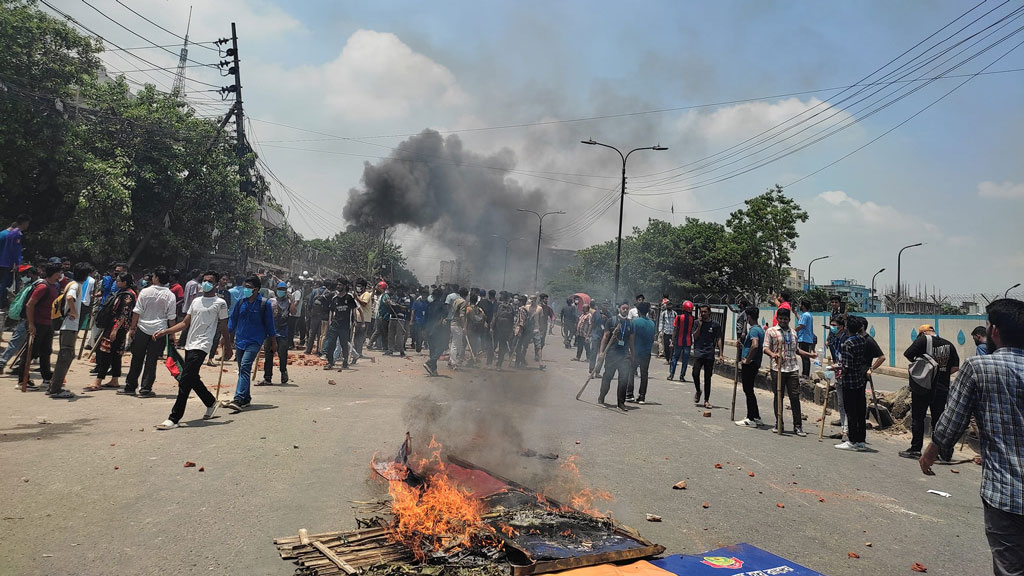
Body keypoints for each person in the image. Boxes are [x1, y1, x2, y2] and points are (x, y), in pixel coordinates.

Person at [919, 299, 1024, 576]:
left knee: (1010, 569)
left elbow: (953, 421)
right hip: (1006, 493)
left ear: (995, 330)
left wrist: (932, 451)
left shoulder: (979, 367)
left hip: (1006, 492)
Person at [152, 271, 232, 429]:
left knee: (185, 379)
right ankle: (210, 402)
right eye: (204, 280)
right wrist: (166, 331)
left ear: (216, 284)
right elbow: (185, 323)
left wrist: (227, 346)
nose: (206, 283)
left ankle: (174, 418)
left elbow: (223, 326)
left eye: (210, 281)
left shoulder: (220, 303)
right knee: (191, 377)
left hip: (203, 344)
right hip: (190, 343)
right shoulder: (196, 301)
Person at [898, 324, 960, 460]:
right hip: (942, 387)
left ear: (922, 334)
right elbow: (955, 367)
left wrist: (923, 368)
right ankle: (940, 451)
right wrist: (940, 374)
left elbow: (908, 354)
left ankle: (915, 449)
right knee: (938, 419)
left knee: (918, 417)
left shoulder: (922, 340)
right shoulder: (949, 344)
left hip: (923, 386)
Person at [122, 267, 177, 397]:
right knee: (151, 361)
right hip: (159, 331)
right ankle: (145, 388)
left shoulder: (145, 292)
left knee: (136, 358)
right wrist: (172, 334)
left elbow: (137, 311)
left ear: (156, 278)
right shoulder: (170, 295)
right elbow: (171, 317)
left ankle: (130, 387)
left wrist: (132, 328)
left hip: (142, 328)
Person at [225, 275, 277, 412]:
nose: (245, 290)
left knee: (245, 366)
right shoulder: (241, 302)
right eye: (245, 287)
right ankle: (246, 398)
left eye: (248, 287)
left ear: (256, 289)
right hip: (240, 340)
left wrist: (273, 341)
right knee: (242, 369)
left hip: (255, 340)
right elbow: (233, 320)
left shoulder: (264, 304)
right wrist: (225, 335)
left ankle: (239, 398)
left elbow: (270, 324)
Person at [764, 307, 816, 436]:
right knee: (778, 396)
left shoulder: (793, 332)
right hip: (778, 369)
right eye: (780, 319)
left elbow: (796, 350)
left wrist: (810, 355)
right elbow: (765, 348)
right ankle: (779, 423)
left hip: (792, 368)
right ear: (778, 319)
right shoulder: (771, 331)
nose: (783, 321)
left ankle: (798, 426)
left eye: (785, 319)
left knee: (795, 397)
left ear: (789, 319)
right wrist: (773, 354)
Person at [47, 262, 94, 399]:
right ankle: (55, 388)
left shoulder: (72, 284)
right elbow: (69, 298)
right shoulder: (75, 286)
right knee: (65, 356)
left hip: (68, 326)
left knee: (67, 355)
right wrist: (74, 312)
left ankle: (54, 385)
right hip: (69, 326)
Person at [85, 272, 136, 391]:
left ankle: (98, 380)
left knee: (105, 353)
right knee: (115, 354)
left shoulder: (128, 295)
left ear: (125, 282)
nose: (116, 282)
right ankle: (115, 379)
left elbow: (123, 314)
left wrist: (115, 330)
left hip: (117, 328)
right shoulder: (123, 293)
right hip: (116, 327)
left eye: (118, 280)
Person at [18, 262, 62, 389]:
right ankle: (23, 380)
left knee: (46, 351)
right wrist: (31, 324)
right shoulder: (43, 287)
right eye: (59, 272)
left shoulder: (55, 286)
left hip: (48, 324)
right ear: (54, 273)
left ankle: (47, 377)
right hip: (37, 323)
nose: (60, 274)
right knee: (30, 352)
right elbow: (30, 305)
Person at [835, 316, 870, 451]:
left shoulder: (847, 344)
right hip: (860, 380)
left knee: (850, 412)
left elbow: (846, 366)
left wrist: (836, 369)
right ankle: (861, 440)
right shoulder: (862, 340)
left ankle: (852, 440)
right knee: (860, 411)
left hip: (849, 382)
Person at [596, 302, 635, 411]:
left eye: (627, 309)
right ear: (619, 309)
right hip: (612, 354)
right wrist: (601, 352)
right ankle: (602, 396)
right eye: (623, 308)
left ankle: (621, 403)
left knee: (624, 379)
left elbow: (631, 340)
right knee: (608, 376)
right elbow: (605, 336)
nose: (625, 310)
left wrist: (633, 354)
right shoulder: (611, 321)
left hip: (624, 355)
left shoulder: (630, 324)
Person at [0, 265, 39, 373]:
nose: (22, 277)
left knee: (15, 342)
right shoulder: (30, 285)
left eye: (23, 274)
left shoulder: (37, 286)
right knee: (20, 343)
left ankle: (2, 363)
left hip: (28, 319)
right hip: (25, 318)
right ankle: (20, 366)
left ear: (30, 273)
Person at [735, 306, 766, 428]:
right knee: (750, 391)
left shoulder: (753, 330)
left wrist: (747, 359)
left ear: (748, 317)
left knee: (748, 390)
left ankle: (751, 418)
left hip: (750, 364)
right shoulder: (760, 330)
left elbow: (755, 345)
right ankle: (756, 416)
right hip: (754, 363)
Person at [259, 281, 294, 386]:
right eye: (279, 289)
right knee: (268, 356)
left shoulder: (288, 302)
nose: (281, 291)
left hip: (282, 332)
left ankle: (283, 371)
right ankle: (267, 377)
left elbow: (294, 312)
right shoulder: (271, 301)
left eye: (283, 290)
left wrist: (292, 301)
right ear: (276, 289)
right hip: (270, 332)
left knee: (282, 355)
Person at [690, 305, 724, 408]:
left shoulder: (715, 325)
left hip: (709, 353)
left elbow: (718, 339)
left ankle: (706, 400)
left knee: (707, 378)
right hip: (698, 352)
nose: (703, 314)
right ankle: (698, 390)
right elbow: (695, 336)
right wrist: (700, 326)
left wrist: (721, 354)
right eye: (701, 312)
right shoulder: (696, 323)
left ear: (709, 312)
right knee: (695, 373)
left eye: (705, 312)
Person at [323, 278, 356, 370]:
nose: (338, 286)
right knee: (331, 344)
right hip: (334, 325)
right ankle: (330, 362)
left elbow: (353, 310)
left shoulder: (349, 298)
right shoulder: (335, 298)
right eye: (337, 284)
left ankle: (345, 361)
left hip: (345, 326)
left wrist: (355, 321)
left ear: (344, 286)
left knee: (344, 344)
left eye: (340, 285)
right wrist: (330, 322)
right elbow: (331, 311)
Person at [627, 302, 656, 404]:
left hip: (636, 351)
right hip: (647, 352)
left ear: (638, 311)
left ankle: (629, 394)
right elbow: (653, 338)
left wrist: (631, 350)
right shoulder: (652, 323)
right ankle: (642, 396)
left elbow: (632, 337)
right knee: (644, 374)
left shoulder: (635, 322)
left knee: (631, 372)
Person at [0, 214, 30, 309]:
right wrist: (16, 263)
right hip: (9, 262)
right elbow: (15, 250)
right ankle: (3, 302)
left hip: (4, 261)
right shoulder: (17, 234)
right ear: (24, 223)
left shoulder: (10, 233)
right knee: (7, 283)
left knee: (4, 282)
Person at [422, 288, 450, 376]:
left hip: (429, 329)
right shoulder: (442, 305)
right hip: (438, 330)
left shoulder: (429, 305)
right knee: (441, 347)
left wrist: (424, 330)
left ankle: (433, 371)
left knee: (432, 349)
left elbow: (425, 318)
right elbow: (444, 316)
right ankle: (430, 362)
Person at [668, 301, 695, 381]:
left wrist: (672, 340)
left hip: (678, 341)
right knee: (685, 359)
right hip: (688, 342)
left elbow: (675, 330)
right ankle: (682, 376)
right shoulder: (692, 319)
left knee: (675, 357)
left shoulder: (679, 317)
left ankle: (671, 374)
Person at [177, 269, 202, 347]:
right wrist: (193, 307)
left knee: (187, 325)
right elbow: (192, 296)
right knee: (187, 326)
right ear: (198, 275)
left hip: (186, 307)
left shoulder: (189, 283)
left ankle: (182, 342)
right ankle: (182, 342)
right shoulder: (195, 284)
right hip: (190, 308)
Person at [492, 293, 515, 371]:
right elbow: (512, 320)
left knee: (492, 345)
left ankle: (489, 362)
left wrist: (491, 327)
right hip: (506, 330)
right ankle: (499, 364)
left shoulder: (498, 305)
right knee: (502, 347)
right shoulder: (511, 307)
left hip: (497, 328)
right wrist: (511, 330)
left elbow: (494, 316)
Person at [305, 281, 329, 355]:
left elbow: (310, 303)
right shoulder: (328, 292)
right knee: (320, 334)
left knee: (312, 332)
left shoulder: (315, 291)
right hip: (323, 316)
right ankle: (319, 351)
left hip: (314, 314)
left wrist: (309, 312)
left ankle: (308, 350)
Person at [448, 287, 468, 370]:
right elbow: (462, 315)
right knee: (456, 345)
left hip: (452, 323)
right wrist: (464, 327)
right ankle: (453, 362)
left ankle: (451, 361)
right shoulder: (463, 302)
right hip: (458, 325)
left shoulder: (456, 300)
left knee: (454, 343)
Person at [589, 302, 609, 376]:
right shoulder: (596, 313)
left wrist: (606, 319)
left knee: (601, 355)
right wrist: (588, 334)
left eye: (606, 305)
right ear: (601, 306)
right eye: (604, 305)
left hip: (604, 338)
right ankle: (591, 369)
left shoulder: (609, 315)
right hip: (595, 336)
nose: (605, 306)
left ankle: (597, 371)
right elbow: (592, 324)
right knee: (593, 353)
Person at [796, 300, 815, 377]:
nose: (799, 306)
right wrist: (795, 313)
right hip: (808, 339)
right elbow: (801, 320)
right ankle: (805, 373)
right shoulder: (808, 315)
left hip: (804, 338)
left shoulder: (805, 315)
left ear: (803, 306)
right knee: (805, 357)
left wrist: (792, 331)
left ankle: (805, 374)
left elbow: (801, 326)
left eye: (800, 304)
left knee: (805, 357)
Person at [411, 289, 429, 353]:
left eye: (426, 295)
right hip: (417, 321)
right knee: (417, 334)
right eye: (423, 294)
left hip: (425, 322)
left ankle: (420, 344)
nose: (424, 296)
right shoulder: (416, 302)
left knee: (423, 334)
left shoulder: (428, 303)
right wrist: (411, 320)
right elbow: (413, 311)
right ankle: (417, 343)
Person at [289, 279, 303, 348]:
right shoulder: (297, 291)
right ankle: (290, 343)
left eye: (295, 284)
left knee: (291, 329)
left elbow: (296, 302)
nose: (293, 285)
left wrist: (292, 309)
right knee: (291, 329)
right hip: (294, 313)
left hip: (293, 314)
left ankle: (290, 344)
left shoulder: (297, 292)